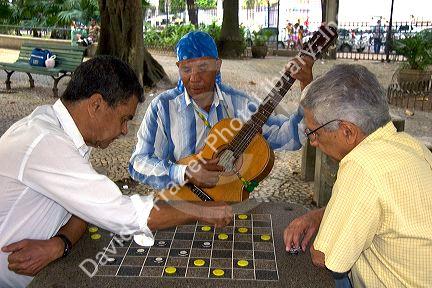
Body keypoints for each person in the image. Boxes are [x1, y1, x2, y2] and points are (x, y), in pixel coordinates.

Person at [0, 55, 233, 288]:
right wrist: (201, 210)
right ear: (96, 105)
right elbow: (123, 213)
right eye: (124, 119)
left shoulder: (66, 134)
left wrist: (60, 243)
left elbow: (86, 210)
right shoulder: (46, 142)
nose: (123, 131)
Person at [283, 64, 432, 287]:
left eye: (314, 133)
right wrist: (317, 216)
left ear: (348, 132)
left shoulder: (361, 164)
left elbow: (323, 256)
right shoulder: (410, 145)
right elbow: (378, 208)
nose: (313, 143)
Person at [128, 31, 314, 190]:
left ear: (218, 65)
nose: (194, 78)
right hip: (180, 204)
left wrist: (306, 85)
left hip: (229, 203)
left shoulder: (240, 104)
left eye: (203, 67)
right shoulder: (163, 107)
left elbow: (290, 136)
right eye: (186, 69)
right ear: (178, 68)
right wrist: (184, 172)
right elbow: (138, 163)